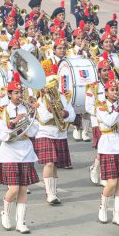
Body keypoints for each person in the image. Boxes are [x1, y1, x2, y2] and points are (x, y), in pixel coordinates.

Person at [0, 72, 39, 233]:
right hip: (9, 152)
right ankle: (5, 212)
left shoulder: (27, 108)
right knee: (13, 189)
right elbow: (0, 135)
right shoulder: (2, 110)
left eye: (21, 92)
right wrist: (12, 124)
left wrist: (33, 115)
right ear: (9, 94)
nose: (19, 95)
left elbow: (34, 131)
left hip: (25, 149)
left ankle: (21, 222)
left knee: (22, 188)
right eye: (16, 93)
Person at [35, 68, 75, 205]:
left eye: (55, 85)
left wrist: (65, 114)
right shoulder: (40, 99)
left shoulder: (63, 97)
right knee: (49, 162)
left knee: (55, 164)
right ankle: (49, 193)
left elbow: (73, 115)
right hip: (45, 132)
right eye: (50, 86)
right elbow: (44, 118)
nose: (53, 88)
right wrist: (55, 112)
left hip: (60, 133)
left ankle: (53, 191)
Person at [96, 78, 119, 226]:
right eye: (112, 90)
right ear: (106, 92)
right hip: (108, 146)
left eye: (116, 89)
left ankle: (117, 215)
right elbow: (110, 122)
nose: (115, 92)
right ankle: (103, 208)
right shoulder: (101, 107)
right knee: (111, 182)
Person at [86, 53, 110, 186]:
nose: (107, 72)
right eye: (104, 70)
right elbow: (88, 106)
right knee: (102, 149)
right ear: (99, 72)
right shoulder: (93, 87)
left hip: (112, 121)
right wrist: (101, 113)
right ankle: (99, 171)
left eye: (108, 70)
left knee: (107, 149)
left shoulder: (115, 85)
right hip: (98, 122)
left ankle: (97, 169)